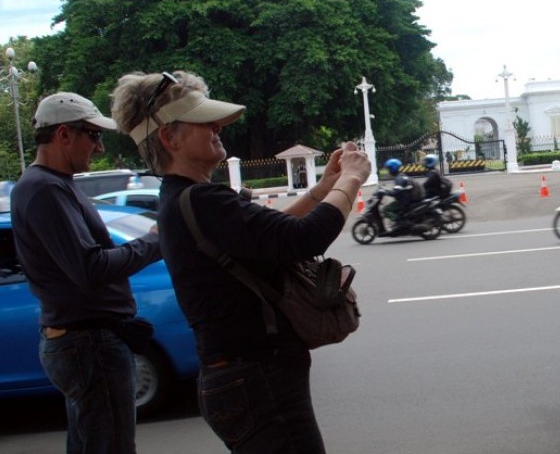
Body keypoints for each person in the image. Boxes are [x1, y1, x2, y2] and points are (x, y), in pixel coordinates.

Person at [110, 70, 371, 454]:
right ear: (169, 137)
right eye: (203, 122)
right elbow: (304, 239)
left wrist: (325, 186)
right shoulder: (200, 201)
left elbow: (275, 234)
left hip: (246, 379)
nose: (217, 127)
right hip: (256, 378)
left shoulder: (187, 198)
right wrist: (351, 179)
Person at [10, 92, 162, 454]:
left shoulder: (50, 185)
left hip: (86, 341)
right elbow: (91, 267)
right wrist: (156, 242)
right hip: (89, 344)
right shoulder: (45, 189)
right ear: (63, 134)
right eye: (93, 136)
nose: (98, 148)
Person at [380, 158, 421, 229]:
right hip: (407, 199)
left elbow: (396, 192)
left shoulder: (399, 178)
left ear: (393, 168)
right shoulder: (402, 175)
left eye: (389, 168)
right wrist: (387, 190)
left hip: (404, 201)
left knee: (386, 210)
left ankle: (400, 223)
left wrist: (384, 192)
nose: (389, 171)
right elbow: (398, 189)